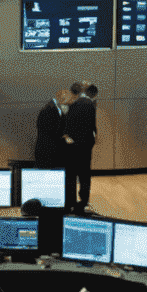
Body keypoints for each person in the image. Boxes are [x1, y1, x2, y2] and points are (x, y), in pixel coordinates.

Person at [64, 81, 98, 213]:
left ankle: (70, 202)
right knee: (84, 176)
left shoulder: (71, 104)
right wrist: (91, 143)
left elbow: (67, 126)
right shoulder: (90, 105)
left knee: (71, 176)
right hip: (85, 148)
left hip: (71, 147)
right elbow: (91, 128)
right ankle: (83, 202)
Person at [33, 89, 68, 167]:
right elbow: (49, 131)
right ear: (61, 97)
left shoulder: (55, 108)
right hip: (48, 151)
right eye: (66, 97)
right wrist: (64, 137)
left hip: (50, 150)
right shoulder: (49, 109)